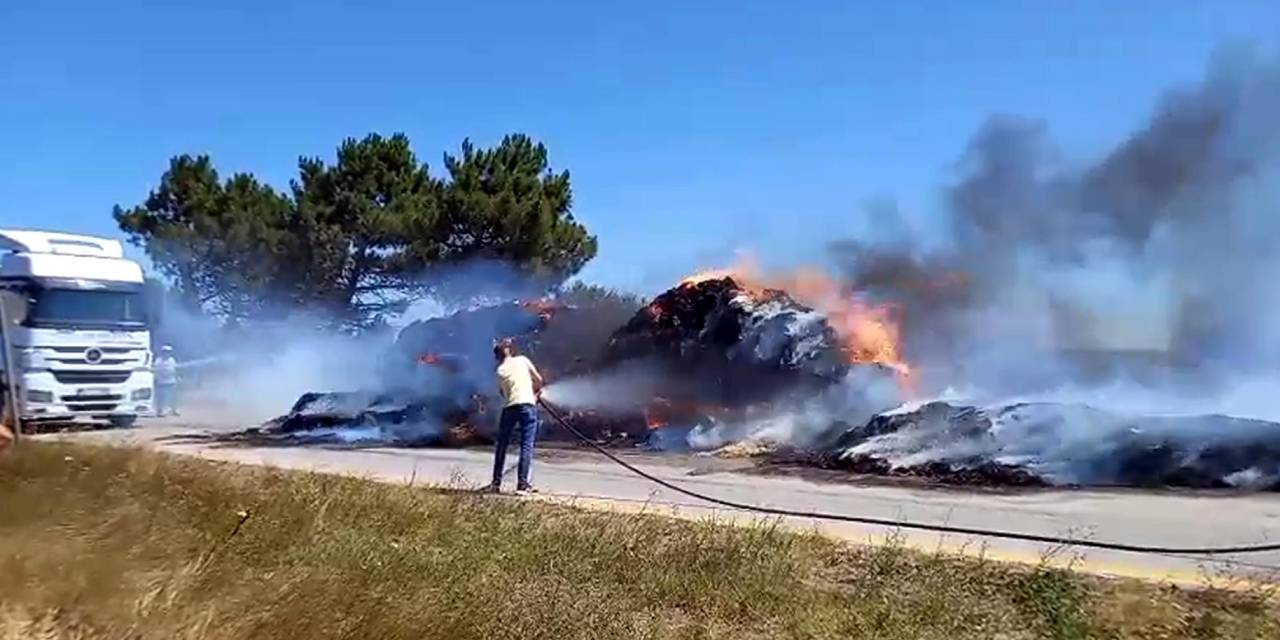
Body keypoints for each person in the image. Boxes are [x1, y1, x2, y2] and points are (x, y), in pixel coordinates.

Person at [488, 340, 544, 495]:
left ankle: (496, 483)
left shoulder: (500, 370)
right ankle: (522, 486)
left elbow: (503, 393)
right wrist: (536, 394)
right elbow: (538, 380)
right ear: (510, 350)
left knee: (502, 446)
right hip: (527, 406)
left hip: (509, 408)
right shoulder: (523, 360)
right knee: (526, 445)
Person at [154, 345, 179, 417]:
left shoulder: (172, 360)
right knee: (161, 397)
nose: (167, 353)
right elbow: (156, 371)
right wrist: (156, 379)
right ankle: (160, 411)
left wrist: (177, 377)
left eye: (168, 352)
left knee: (173, 397)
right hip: (161, 381)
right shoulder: (158, 361)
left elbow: (175, 369)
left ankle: (174, 410)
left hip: (171, 380)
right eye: (165, 352)